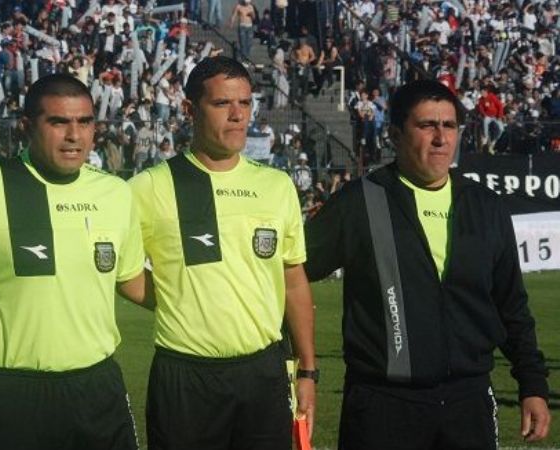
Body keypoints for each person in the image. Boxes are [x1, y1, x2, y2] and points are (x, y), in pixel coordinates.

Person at [304, 79, 551, 450]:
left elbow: (511, 304)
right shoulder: (360, 203)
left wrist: (533, 385)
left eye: (449, 126)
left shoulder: (486, 206)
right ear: (395, 134)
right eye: (426, 126)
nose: (441, 138)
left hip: (468, 403)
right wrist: (300, 365)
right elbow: (292, 273)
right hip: (382, 405)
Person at [0, 74, 147, 450]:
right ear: (27, 127)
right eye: (58, 122)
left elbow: (132, 281)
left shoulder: (116, 195)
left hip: (97, 386)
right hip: (14, 393)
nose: (74, 135)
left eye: (85, 122)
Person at [129, 56, 316, 449]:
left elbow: (293, 280)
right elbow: (120, 272)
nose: (237, 115)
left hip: (263, 373)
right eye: (221, 104)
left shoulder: (276, 185)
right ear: (189, 110)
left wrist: (308, 372)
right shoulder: (147, 187)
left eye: (245, 103)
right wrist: (177, 299)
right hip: (184, 376)